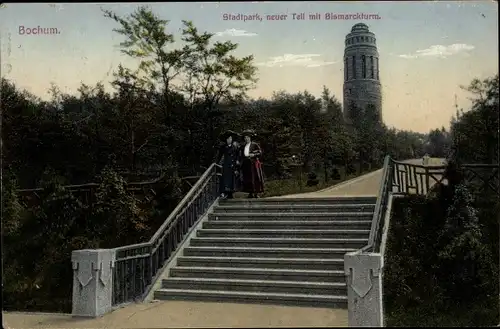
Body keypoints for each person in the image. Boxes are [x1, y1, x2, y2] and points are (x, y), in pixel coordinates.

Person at [239, 129, 264, 198]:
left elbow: (260, 152)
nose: (246, 139)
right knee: (248, 178)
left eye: (247, 137)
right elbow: (240, 154)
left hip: (253, 163)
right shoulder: (243, 146)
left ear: (250, 137)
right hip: (246, 163)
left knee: (255, 178)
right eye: (245, 137)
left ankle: (256, 193)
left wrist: (254, 155)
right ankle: (250, 192)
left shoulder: (254, 144)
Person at [216, 130, 241, 199]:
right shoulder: (223, 147)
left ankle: (231, 193)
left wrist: (237, 161)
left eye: (230, 138)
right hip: (226, 165)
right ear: (226, 140)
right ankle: (225, 192)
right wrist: (218, 163)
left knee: (232, 179)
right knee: (225, 179)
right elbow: (219, 156)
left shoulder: (235, 147)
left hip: (233, 165)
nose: (229, 140)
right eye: (228, 139)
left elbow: (238, 155)